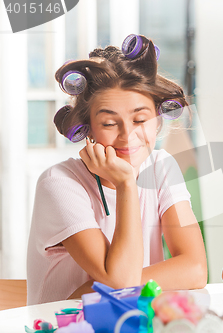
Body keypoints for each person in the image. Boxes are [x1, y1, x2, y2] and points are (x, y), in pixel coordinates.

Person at [27, 35, 207, 305]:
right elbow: (121, 280)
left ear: (157, 121)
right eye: (110, 123)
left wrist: (94, 290)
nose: (128, 135)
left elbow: (195, 269)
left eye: (140, 119)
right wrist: (126, 183)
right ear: (87, 127)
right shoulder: (59, 183)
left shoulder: (161, 166)